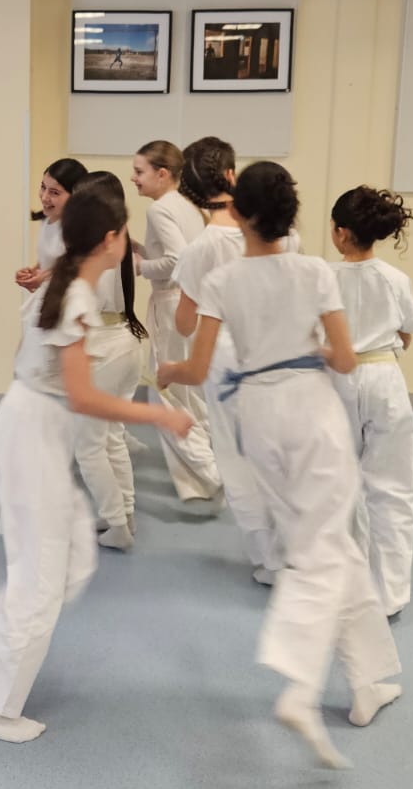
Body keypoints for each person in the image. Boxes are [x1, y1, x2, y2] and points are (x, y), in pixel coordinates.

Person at [160, 162, 401, 769]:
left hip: (259, 417)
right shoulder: (314, 270)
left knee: (328, 547)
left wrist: (167, 372)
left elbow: (196, 368)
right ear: (291, 215)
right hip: (310, 409)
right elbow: (345, 360)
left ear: (239, 212)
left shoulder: (222, 279)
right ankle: (301, 684)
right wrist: (307, 349)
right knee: (324, 548)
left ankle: (369, 682)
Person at [0, 188, 193, 743]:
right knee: (42, 580)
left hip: (33, 430)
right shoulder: (73, 295)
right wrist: (159, 416)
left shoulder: (65, 284)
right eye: (126, 234)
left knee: (74, 558)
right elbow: (83, 396)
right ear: (112, 240)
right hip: (32, 436)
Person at [169, 137, 292, 585]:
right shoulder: (282, 236)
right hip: (279, 354)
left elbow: (185, 324)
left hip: (225, 360)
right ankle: (292, 546)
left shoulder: (200, 248)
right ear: (231, 175)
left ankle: (270, 558)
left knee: (237, 458)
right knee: (277, 452)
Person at [330, 187, 413, 619]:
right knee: (392, 487)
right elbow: (407, 334)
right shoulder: (394, 279)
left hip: (336, 379)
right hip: (385, 378)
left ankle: (338, 583)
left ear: (340, 232)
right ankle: (388, 594)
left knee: (336, 482)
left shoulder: (323, 276)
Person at [132, 140, 220, 503]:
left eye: (139, 171)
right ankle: (208, 472)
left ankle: (210, 473)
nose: (133, 178)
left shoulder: (159, 210)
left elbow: (177, 259)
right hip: (195, 302)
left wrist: (141, 266)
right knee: (191, 393)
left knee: (166, 393)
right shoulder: (189, 206)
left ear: (162, 174)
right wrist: (141, 250)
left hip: (171, 303)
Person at [70, 171, 148, 551]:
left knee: (88, 446)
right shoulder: (120, 239)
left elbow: (88, 301)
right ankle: (124, 513)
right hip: (126, 342)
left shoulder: (97, 245)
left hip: (104, 347)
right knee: (112, 436)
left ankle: (117, 523)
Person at [15, 158, 87, 293]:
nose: (44, 197)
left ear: (75, 195)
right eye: (43, 187)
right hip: (48, 297)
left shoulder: (79, 229)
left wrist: (44, 277)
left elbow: (77, 269)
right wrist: (33, 272)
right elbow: (51, 261)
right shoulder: (47, 220)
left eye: (54, 192)